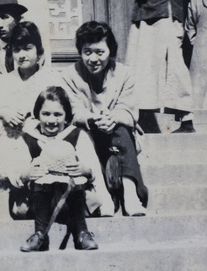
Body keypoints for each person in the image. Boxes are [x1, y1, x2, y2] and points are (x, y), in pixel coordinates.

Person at [0, 86, 102, 252]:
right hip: (37, 202)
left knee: (76, 183)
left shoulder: (77, 135)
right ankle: (39, 234)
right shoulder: (28, 137)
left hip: (69, 200)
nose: (52, 120)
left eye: (58, 115)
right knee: (41, 179)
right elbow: (14, 171)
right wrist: (26, 174)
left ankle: (81, 232)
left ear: (66, 117)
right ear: (38, 114)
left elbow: (93, 169)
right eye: (46, 114)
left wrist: (84, 169)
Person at [62, 21, 148, 216]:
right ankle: (103, 196)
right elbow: (72, 111)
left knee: (121, 128)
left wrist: (114, 117)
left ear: (110, 51)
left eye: (100, 52)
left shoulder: (125, 73)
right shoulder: (69, 76)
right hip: (88, 134)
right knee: (81, 134)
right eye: (87, 52)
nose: (93, 59)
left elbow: (129, 109)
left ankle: (130, 195)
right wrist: (92, 120)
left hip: (118, 135)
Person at [125, 0, 195, 133]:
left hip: (164, 15)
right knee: (141, 66)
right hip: (144, 15)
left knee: (171, 65)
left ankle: (186, 119)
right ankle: (144, 118)